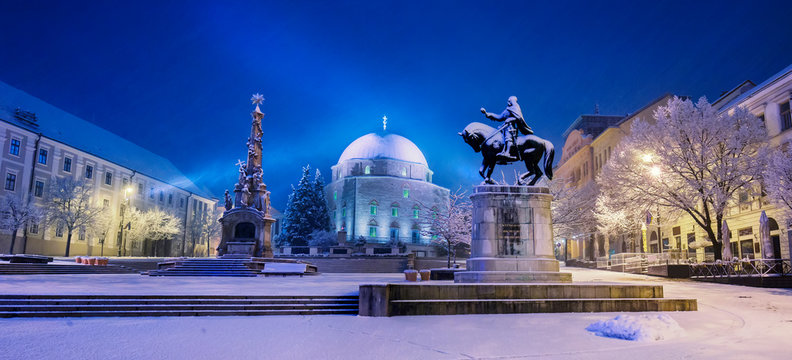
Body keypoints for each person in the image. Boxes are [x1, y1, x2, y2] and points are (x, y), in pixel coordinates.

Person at [480, 96, 532, 161]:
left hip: (511, 128)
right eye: (508, 101)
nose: (508, 102)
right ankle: (501, 152)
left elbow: (519, 118)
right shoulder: (507, 110)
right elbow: (500, 117)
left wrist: (510, 119)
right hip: (504, 127)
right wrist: (489, 114)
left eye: (509, 100)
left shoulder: (515, 108)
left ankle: (507, 153)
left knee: (508, 138)